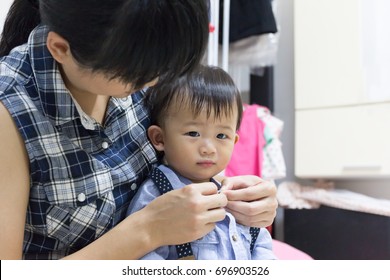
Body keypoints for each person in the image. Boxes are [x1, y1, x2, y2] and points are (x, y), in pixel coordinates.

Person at [0, 0, 277, 260]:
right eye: (135, 75)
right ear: (60, 49)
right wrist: (147, 230)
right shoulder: (11, 107)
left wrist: (246, 201)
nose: (154, 81)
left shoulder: (144, 54)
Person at [127, 65, 276, 260]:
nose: (208, 148)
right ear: (160, 138)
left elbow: (260, 242)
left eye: (221, 135)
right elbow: (144, 254)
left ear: (234, 141)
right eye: (193, 133)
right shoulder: (158, 195)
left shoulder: (235, 196)